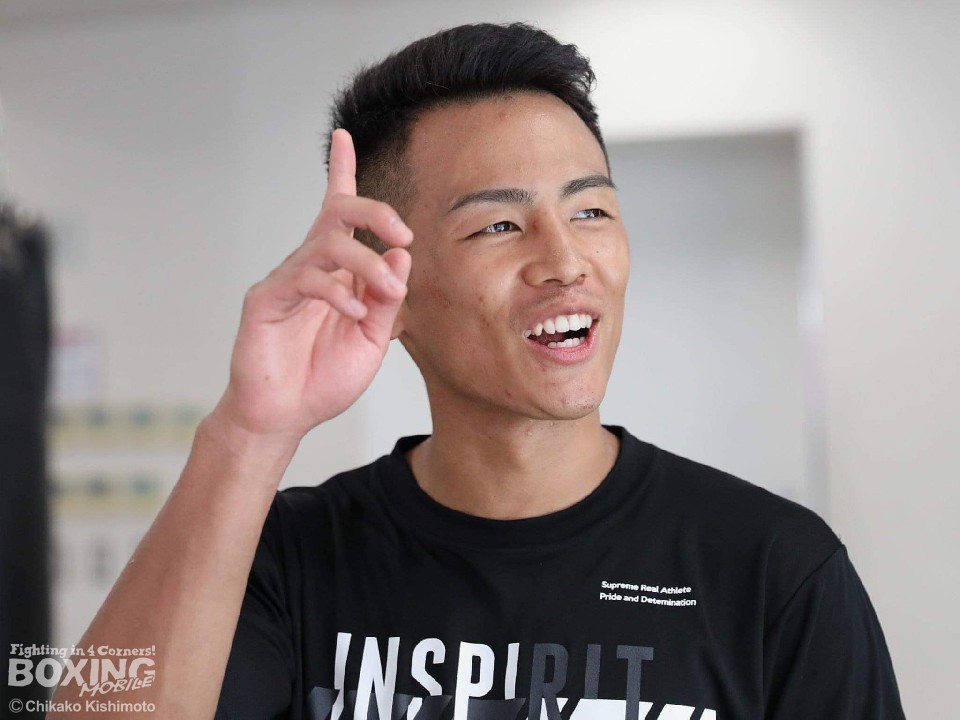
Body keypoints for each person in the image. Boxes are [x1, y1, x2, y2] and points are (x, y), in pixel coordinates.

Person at [50, 22, 904, 720]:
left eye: (591, 210)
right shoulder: (288, 561)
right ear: (387, 283)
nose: (566, 262)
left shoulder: (773, 569)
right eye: (499, 226)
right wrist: (249, 432)